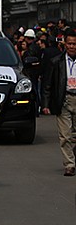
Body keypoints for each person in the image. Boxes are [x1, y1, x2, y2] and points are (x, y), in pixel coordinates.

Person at [42, 29, 76, 176]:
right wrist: (45, 104)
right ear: (64, 44)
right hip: (63, 99)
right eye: (69, 43)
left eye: (74, 44)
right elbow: (47, 84)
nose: (72, 46)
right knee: (65, 135)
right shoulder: (56, 62)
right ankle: (69, 164)